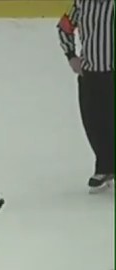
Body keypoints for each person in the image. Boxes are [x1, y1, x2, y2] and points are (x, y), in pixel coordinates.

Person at [58, 0, 114, 191]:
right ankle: (105, 166)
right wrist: (71, 55)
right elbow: (64, 27)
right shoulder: (82, 3)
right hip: (91, 74)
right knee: (94, 122)